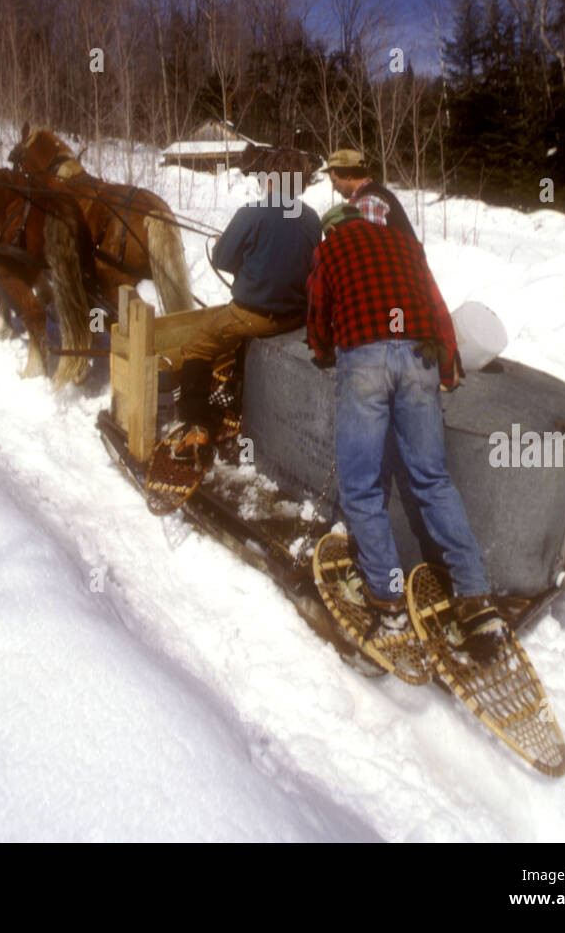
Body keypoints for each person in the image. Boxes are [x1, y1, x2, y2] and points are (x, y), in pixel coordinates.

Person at [305, 202, 507, 659]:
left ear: (332, 230)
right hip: (420, 358)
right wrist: (447, 360)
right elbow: (435, 304)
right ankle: (476, 597)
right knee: (432, 479)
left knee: (360, 485)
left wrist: (321, 349)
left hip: (365, 361)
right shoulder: (404, 241)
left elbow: (318, 314)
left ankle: (386, 595)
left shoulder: (329, 251)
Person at [172, 152, 322, 459]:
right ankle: (238, 396)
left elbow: (222, 259)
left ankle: (195, 428)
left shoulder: (251, 213)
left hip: (255, 316)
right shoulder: (311, 218)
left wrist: (223, 246)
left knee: (197, 348)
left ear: (270, 180)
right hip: (295, 317)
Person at [322, 148, 416, 237]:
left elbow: (371, 249)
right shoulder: (375, 193)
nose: (333, 188)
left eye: (334, 181)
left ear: (348, 176)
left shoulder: (367, 202)